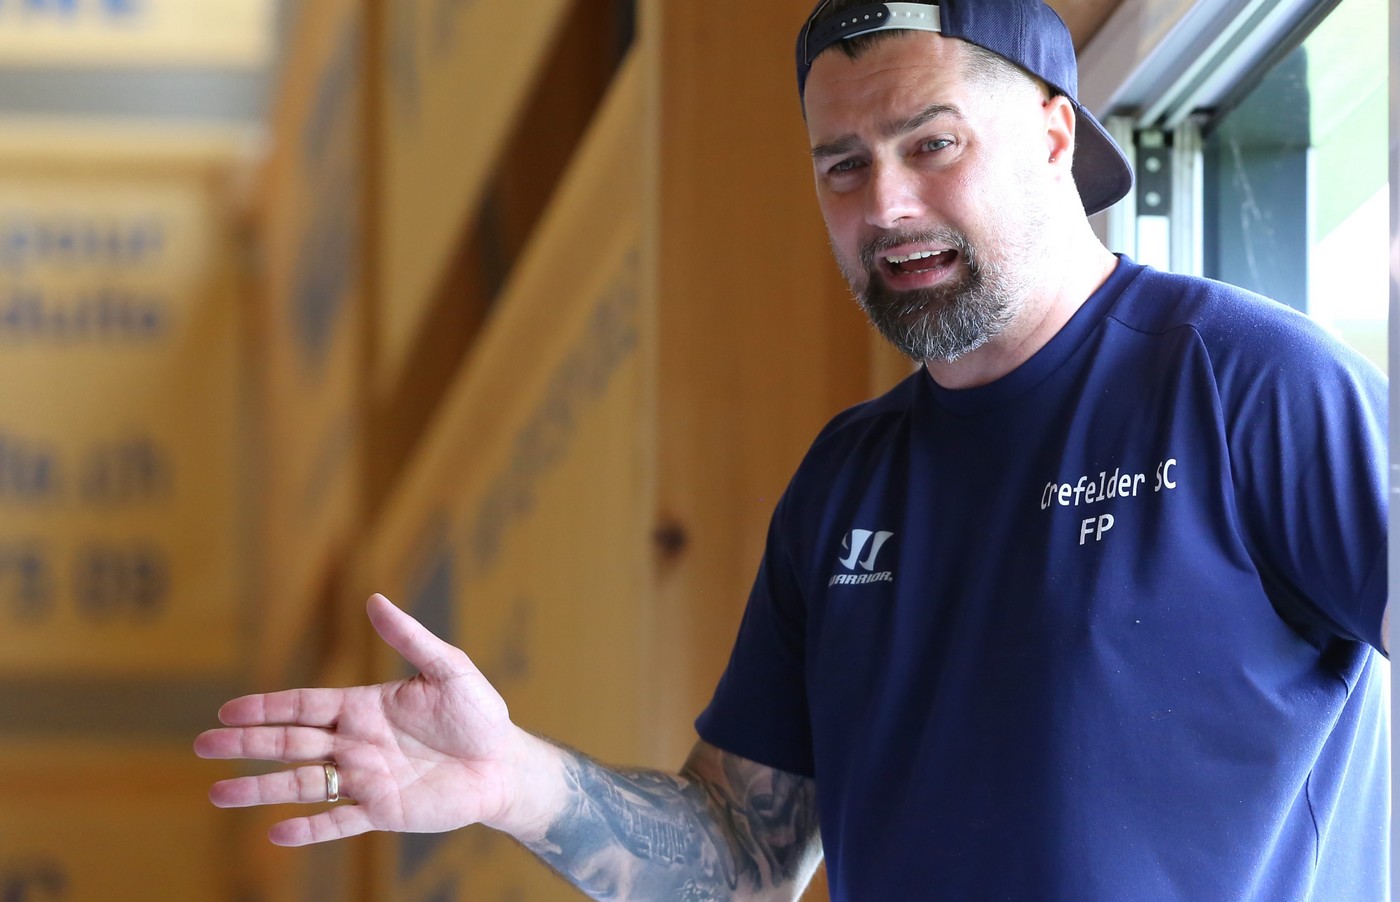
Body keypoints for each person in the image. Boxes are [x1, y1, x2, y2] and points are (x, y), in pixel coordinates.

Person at [195, 0, 1391, 898]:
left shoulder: (1249, 387)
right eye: (841, 166)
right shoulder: (843, 487)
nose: (885, 207)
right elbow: (742, 853)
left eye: (930, 144)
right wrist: (515, 779)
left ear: (1048, 132)